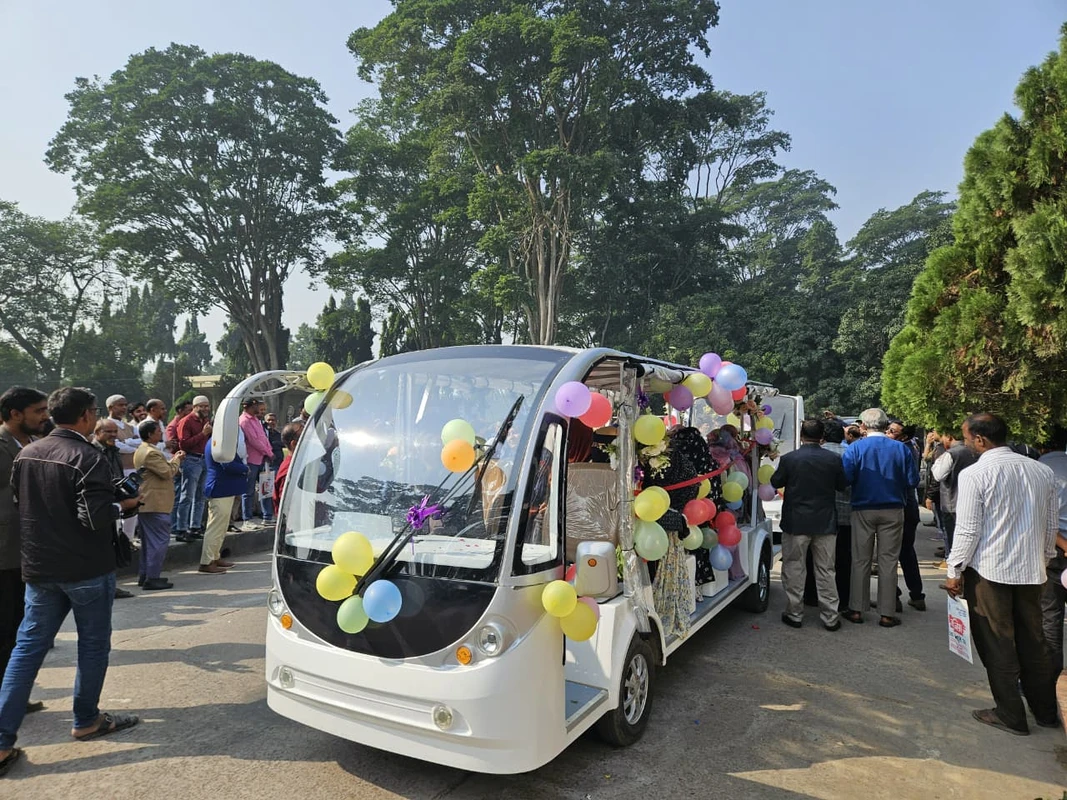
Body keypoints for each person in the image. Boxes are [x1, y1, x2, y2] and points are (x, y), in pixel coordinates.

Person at [0, 387, 142, 777]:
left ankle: (1, 740)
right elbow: (94, 518)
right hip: (84, 569)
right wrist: (124, 505)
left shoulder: (26, 453)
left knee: (26, 650)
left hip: (39, 568)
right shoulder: (87, 456)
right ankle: (87, 719)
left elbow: (19, 506)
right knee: (92, 646)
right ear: (85, 416)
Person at [943, 413, 1059, 735]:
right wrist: (1045, 559)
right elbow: (1050, 526)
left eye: (967, 438)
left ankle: (1011, 714)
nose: (966, 443)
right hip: (1032, 572)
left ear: (980, 440)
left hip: (991, 573)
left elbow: (967, 531)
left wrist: (954, 571)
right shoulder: (1041, 471)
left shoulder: (975, 474)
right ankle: (1045, 711)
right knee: (1033, 643)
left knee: (998, 644)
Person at [841, 408, 919, 628]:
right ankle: (887, 613)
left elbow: (846, 478)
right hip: (893, 508)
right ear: (886, 426)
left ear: (863, 427)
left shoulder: (855, 448)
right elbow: (912, 481)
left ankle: (856, 609)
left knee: (860, 560)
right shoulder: (900, 449)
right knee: (888, 561)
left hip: (862, 508)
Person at [0, 387, 50, 716]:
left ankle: (12, 694)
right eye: (38, 411)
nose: (44, 417)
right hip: (3, 550)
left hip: (25, 550)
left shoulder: (28, 443)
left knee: (19, 625)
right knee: (4, 627)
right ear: (16, 414)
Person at [771, 419, 848, 631]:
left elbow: (776, 482)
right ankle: (830, 616)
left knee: (795, 567)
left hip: (796, 521)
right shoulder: (833, 459)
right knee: (826, 569)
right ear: (822, 437)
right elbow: (842, 485)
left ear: (801, 435)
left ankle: (794, 613)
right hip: (825, 522)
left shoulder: (790, 459)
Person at [133, 420, 185, 590]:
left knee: (149, 543)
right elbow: (167, 472)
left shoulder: (143, 450)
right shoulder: (150, 453)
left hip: (148, 502)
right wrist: (177, 460)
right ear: (150, 434)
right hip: (155, 502)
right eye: (157, 432)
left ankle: (146, 575)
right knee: (159, 542)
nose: (161, 434)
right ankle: (152, 577)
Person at [92, 419, 135, 600]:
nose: (112, 435)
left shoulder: (114, 451)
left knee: (112, 546)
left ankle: (111, 586)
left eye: (114, 432)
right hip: (98, 506)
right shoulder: (91, 452)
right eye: (108, 432)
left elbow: (117, 477)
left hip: (114, 503)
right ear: (97, 433)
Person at [1038, 425, 1067, 679]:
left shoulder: (1042, 472)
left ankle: (1050, 678)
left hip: (1056, 552)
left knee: (1051, 616)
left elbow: (1044, 520)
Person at [888, 420, 926, 612]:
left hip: (902, 505)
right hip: (908, 505)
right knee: (906, 552)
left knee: (893, 553)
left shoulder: (902, 450)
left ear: (903, 436)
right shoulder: (909, 446)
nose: (887, 433)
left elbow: (911, 480)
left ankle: (893, 596)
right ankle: (916, 594)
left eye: (892, 431)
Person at [200, 432, 246, 574]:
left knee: (221, 527)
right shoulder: (217, 444)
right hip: (220, 488)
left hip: (225, 488)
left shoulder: (219, 442)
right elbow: (227, 464)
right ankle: (206, 562)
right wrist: (245, 469)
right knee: (215, 527)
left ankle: (215, 556)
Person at [930, 430, 977, 564]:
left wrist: (936, 463)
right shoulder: (975, 451)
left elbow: (938, 475)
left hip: (952, 501)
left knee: (952, 537)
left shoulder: (951, 454)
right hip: (970, 502)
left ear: (949, 437)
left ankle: (952, 566)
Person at [175, 395, 213, 542]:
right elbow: (183, 444)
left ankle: (194, 526)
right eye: (201, 406)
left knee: (200, 496)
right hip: (191, 459)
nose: (205, 409)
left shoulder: (206, 421)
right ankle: (181, 529)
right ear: (195, 407)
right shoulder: (187, 421)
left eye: (206, 406)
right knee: (187, 496)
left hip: (204, 459)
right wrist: (202, 434)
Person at [239, 398, 273, 530]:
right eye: (257, 407)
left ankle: (267, 517)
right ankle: (247, 519)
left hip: (263, 458)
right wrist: (268, 452)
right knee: (249, 490)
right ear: (250, 407)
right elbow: (253, 441)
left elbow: (263, 438)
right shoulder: (244, 421)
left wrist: (269, 451)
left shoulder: (256, 420)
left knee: (266, 488)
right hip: (251, 459)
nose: (259, 409)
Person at [272, 423, 302, 511]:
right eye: (306, 439)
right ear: (294, 444)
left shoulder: (298, 464)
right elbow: (286, 505)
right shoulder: (290, 471)